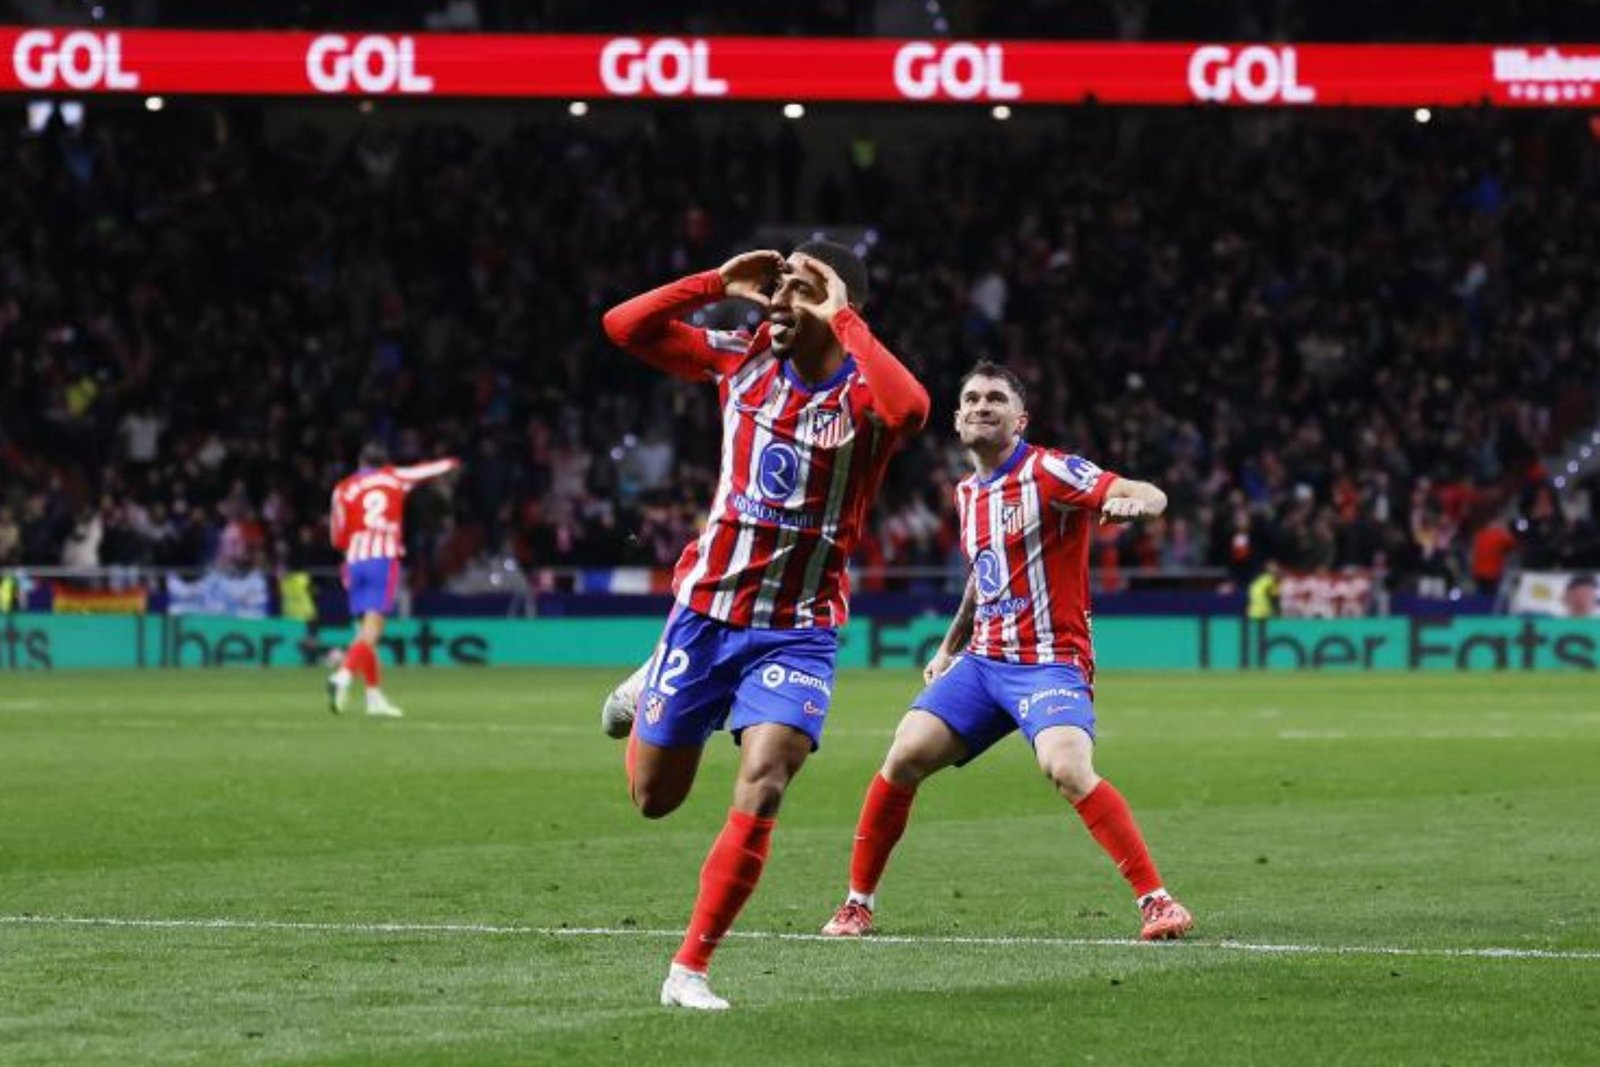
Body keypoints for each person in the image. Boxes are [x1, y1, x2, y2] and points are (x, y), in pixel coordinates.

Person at [599, 241, 929, 1010]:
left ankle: (689, 968)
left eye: (800, 289)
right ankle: (650, 686)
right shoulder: (739, 358)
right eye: (778, 286)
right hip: (705, 615)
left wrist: (840, 312)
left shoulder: (864, 398)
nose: (781, 301)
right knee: (654, 798)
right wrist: (715, 282)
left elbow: (910, 409)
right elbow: (622, 327)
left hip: (798, 628)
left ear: (839, 306)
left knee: (767, 779)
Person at [818, 361, 1193, 943]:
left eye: (995, 398)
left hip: (1048, 660)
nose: (980, 406)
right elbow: (981, 579)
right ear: (956, 417)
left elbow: (1144, 491)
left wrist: (1136, 503)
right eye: (970, 398)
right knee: (903, 755)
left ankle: (1157, 900)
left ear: (1020, 419)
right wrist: (948, 650)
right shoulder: (968, 493)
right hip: (983, 662)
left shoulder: (1051, 470)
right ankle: (856, 905)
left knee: (1066, 767)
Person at [325, 442, 459, 717]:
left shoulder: (343, 488)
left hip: (353, 560)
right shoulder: (393, 477)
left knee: (364, 631)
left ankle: (374, 699)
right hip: (381, 559)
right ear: (384, 463)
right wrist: (452, 463)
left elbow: (337, 536)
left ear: (360, 462)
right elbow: (427, 471)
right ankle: (344, 675)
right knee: (374, 628)